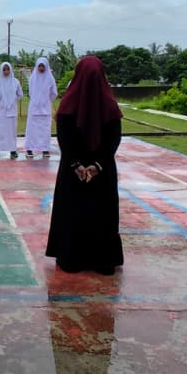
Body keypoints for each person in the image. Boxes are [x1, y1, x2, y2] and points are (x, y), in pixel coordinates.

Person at [45, 56, 124, 275]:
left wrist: (77, 165)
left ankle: (72, 258)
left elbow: (64, 137)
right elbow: (113, 139)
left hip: (74, 173)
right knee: (101, 213)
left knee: (73, 212)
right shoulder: (109, 104)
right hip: (102, 172)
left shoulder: (68, 103)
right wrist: (97, 165)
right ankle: (102, 260)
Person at [24, 57, 58, 158]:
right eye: (40, 66)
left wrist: (46, 101)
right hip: (34, 108)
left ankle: (45, 149)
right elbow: (30, 92)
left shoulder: (50, 79)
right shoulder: (32, 78)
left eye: (43, 66)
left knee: (45, 130)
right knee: (31, 130)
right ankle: (30, 149)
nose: (41, 68)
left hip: (45, 109)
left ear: (46, 66)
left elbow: (54, 93)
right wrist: (37, 101)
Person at [0, 61, 23, 160]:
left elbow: (20, 95)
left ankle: (13, 151)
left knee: (11, 132)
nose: (6, 71)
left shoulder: (15, 82)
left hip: (11, 112)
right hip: (0, 111)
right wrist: (1, 101)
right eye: (4, 69)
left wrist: (12, 101)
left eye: (8, 69)